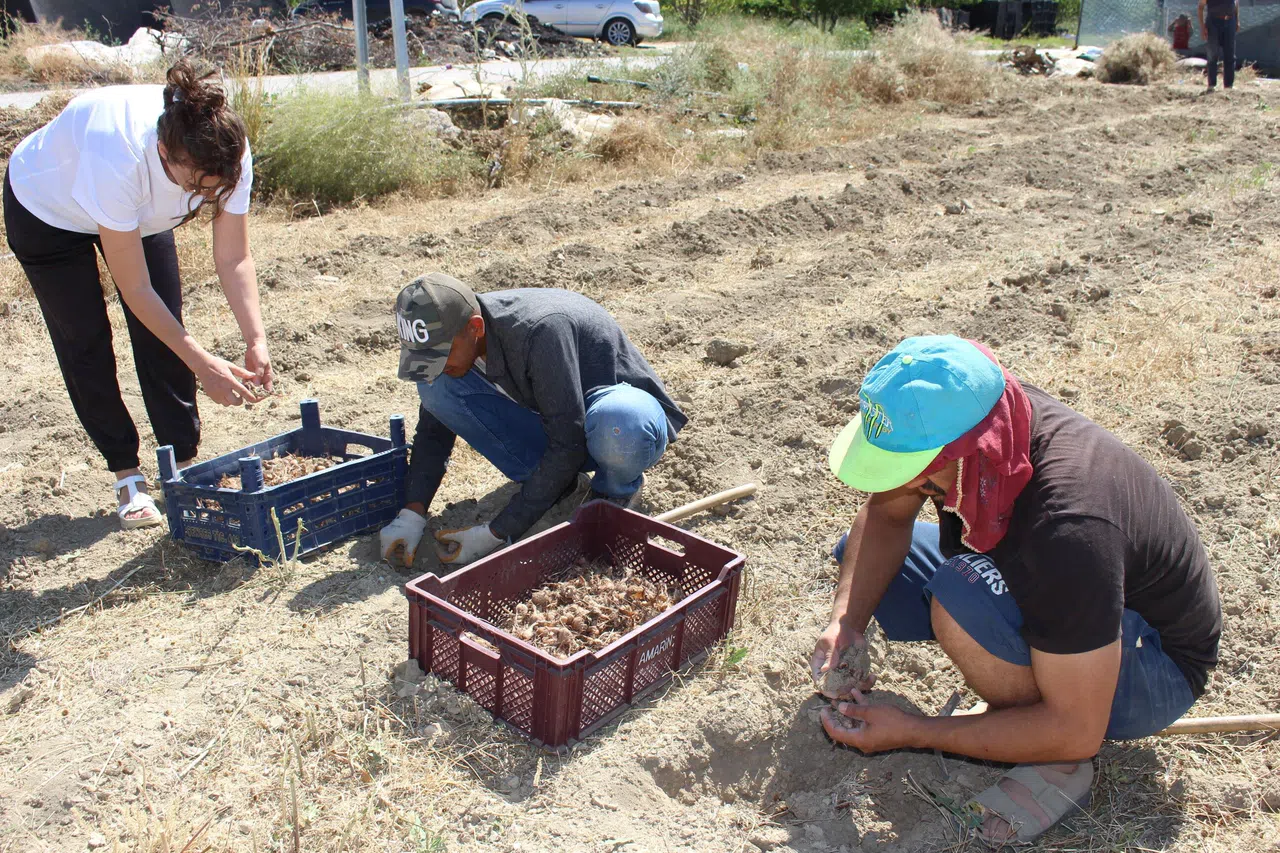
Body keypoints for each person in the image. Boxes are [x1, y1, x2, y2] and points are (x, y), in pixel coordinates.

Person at [811, 335, 1220, 845]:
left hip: (1151, 661)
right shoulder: (981, 420)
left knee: (960, 593)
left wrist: (914, 732)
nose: (910, 484)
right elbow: (885, 515)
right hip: (1071, 596)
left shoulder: (1069, 527)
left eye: (917, 472)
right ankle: (1017, 673)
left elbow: (1077, 725)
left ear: (970, 452)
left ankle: (1059, 764)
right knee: (871, 556)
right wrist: (846, 623)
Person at [4, 61, 271, 530]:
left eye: (216, 190)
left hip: (136, 214)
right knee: (85, 340)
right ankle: (127, 473)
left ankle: (184, 465)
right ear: (164, 153)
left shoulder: (226, 150)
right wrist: (205, 365)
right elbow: (135, 289)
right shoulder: (120, 154)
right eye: (196, 188)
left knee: (165, 334)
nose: (206, 198)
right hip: (49, 211)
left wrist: (256, 338)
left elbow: (234, 258)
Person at [378, 274, 686, 567]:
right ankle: (558, 484)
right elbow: (434, 432)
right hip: (560, 418)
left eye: (441, 354)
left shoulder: (539, 330)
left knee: (622, 425)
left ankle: (615, 491)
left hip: (612, 413)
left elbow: (568, 442)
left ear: (475, 328)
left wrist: (496, 533)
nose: (438, 364)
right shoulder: (460, 340)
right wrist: (412, 513)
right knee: (436, 387)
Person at [1199, 0, 1239, 90]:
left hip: (1230, 21)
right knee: (1213, 55)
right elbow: (1200, 7)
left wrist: (1237, 20)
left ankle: (1229, 86)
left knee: (1230, 54)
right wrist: (1202, 27)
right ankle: (1211, 85)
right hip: (1213, 23)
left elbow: (1236, 3)